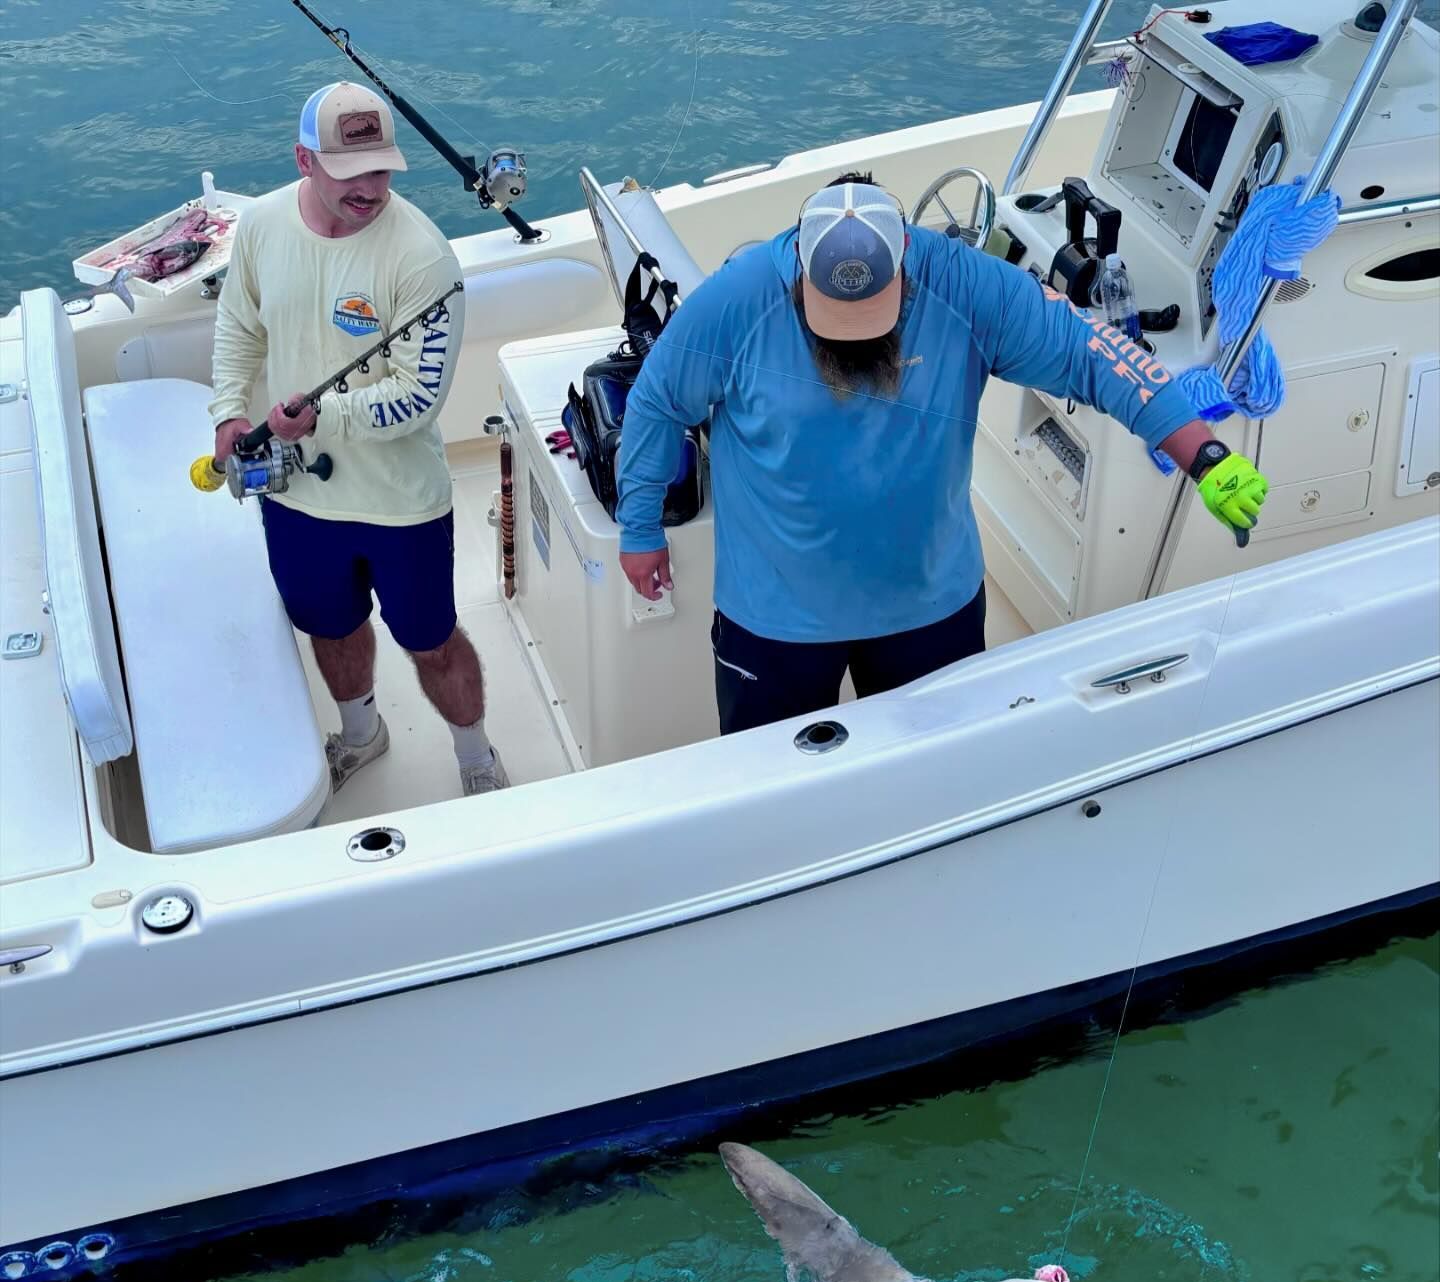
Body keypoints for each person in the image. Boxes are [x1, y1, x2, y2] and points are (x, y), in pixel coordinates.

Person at [616, 175, 1269, 734]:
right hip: (775, 614)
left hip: (929, 604)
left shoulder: (964, 284)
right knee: (768, 793)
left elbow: (1094, 353)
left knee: (941, 776)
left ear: (906, 259)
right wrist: (639, 530)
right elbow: (656, 404)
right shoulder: (736, 301)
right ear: (798, 273)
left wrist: (1206, 455)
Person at [209, 81, 507, 797]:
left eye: (381, 169)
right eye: (349, 173)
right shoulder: (261, 227)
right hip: (298, 496)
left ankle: (475, 756)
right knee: (330, 628)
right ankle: (362, 733)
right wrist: (227, 414)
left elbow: (419, 396)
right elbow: (239, 326)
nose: (369, 188)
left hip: (400, 502)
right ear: (304, 161)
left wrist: (322, 417)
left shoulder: (423, 259)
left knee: (433, 643)